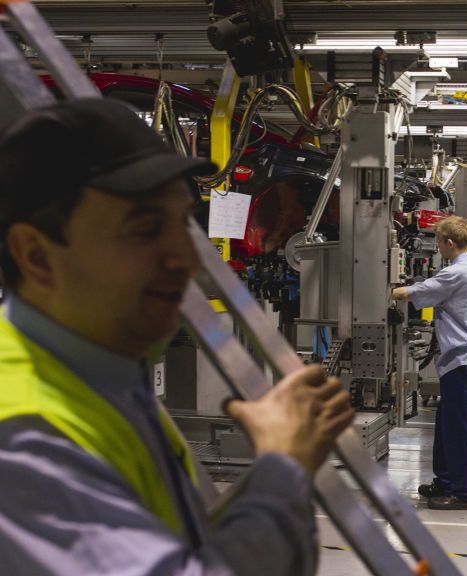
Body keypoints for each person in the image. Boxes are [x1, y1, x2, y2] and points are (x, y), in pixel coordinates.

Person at [0, 99, 354, 575]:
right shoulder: (23, 433)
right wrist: (283, 466)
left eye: (184, 224)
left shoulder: (102, 376)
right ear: (36, 256)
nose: (186, 258)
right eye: (145, 229)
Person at [392, 216, 467, 510]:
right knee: (447, 424)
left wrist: (385, 287)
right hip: (464, 358)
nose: (437, 247)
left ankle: (463, 493)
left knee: (459, 428)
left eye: (438, 242)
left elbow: (412, 293)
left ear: (448, 243)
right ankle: (445, 482)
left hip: (463, 359)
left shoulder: (456, 273)